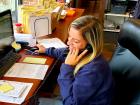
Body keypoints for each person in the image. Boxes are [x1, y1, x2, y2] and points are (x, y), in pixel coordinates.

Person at [37, 15, 114, 105]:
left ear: (90, 45)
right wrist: (46, 50)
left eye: (76, 41)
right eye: (69, 36)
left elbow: (70, 103)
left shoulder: (93, 70)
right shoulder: (85, 54)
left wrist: (67, 67)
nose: (68, 42)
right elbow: (65, 52)